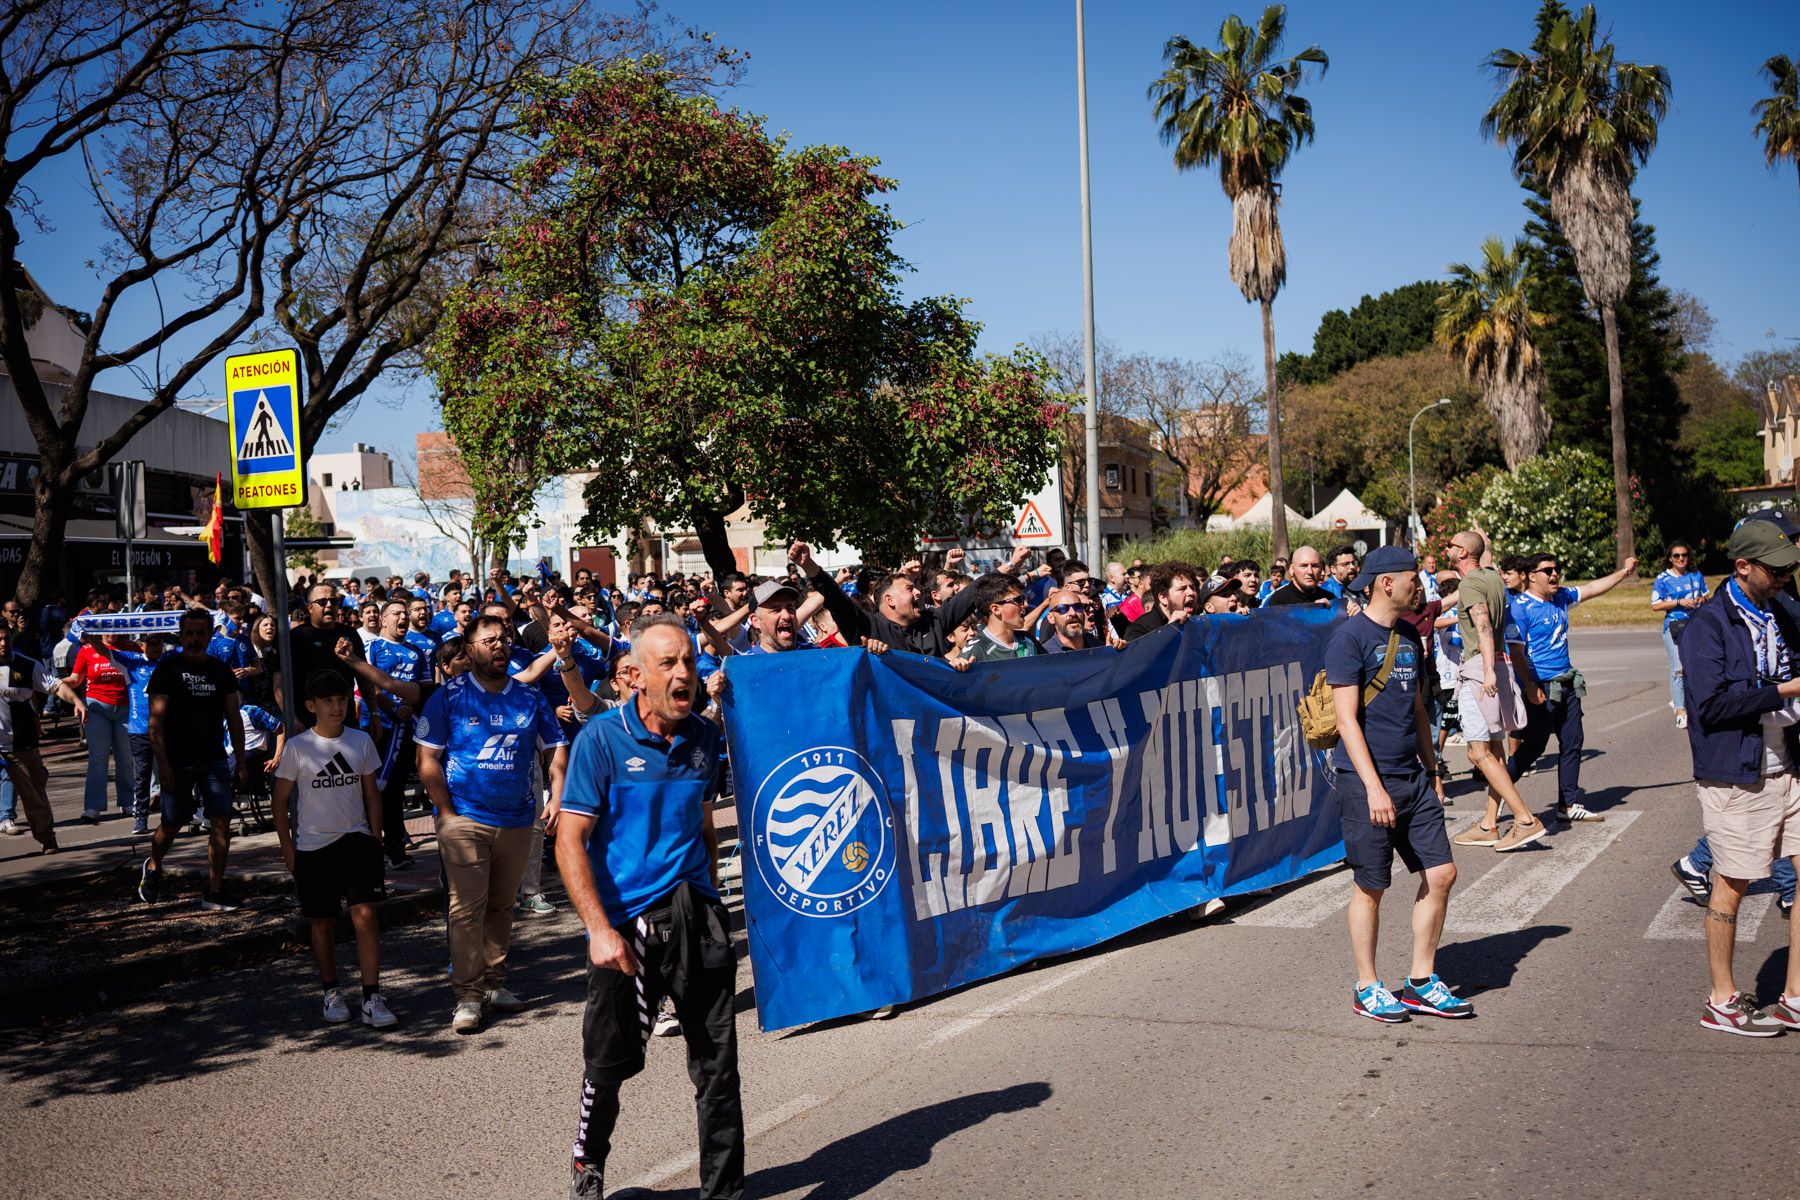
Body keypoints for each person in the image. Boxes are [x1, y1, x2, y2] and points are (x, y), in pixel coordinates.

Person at [556, 615, 743, 1200]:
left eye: (688, 660)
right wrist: (597, 930)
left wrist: (713, 899)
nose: (684, 672)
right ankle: (589, 1165)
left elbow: (704, 826)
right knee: (608, 1068)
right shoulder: (601, 740)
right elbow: (569, 839)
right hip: (626, 929)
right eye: (669, 663)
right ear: (634, 675)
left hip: (698, 918)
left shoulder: (706, 739)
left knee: (717, 1070)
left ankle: (725, 1193)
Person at [1323, 546, 1468, 1023]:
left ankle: (1422, 981)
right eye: (1413, 577)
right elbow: (1346, 720)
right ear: (1386, 582)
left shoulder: (1410, 633)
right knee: (1372, 885)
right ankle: (1368, 985)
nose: (1421, 585)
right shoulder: (1349, 638)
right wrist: (1374, 788)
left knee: (1441, 873)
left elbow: (1419, 709)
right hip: (1368, 780)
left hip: (1414, 777)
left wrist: (1433, 771)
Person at [414, 613, 569, 1033]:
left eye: (503, 639)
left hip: (518, 820)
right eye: (488, 640)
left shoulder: (528, 697)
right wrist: (446, 814)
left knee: (502, 906)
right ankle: (467, 996)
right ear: (469, 649)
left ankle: (495, 983)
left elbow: (555, 747)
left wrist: (555, 796)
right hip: (465, 819)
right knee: (467, 908)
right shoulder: (448, 697)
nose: (498, 646)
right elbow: (426, 760)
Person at [1677, 519, 1800, 1036]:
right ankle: (1721, 1000)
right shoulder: (1706, 627)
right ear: (1743, 566)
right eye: (1776, 570)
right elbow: (1710, 707)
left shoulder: (1784, 609)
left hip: (1791, 767)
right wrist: (1784, 691)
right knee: (1730, 885)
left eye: (1790, 568)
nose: (1785, 577)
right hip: (1737, 775)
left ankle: (1794, 996)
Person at [271, 670, 397, 1029]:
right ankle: (331, 992)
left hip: (357, 843)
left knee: (366, 917)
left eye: (341, 700)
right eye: (328, 701)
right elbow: (279, 802)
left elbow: (372, 793)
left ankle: (372, 997)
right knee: (322, 922)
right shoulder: (297, 747)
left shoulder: (360, 742)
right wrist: (288, 848)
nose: (337, 707)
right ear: (311, 705)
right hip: (313, 849)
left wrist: (376, 837)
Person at [1506, 550, 1638, 823]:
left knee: (1573, 742)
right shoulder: (1519, 608)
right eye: (1548, 571)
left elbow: (1592, 588)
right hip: (1540, 686)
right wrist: (1530, 686)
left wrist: (1624, 571)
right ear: (1531, 577)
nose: (1555, 574)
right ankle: (1496, 796)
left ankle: (1567, 805)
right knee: (1533, 747)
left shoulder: (1562, 598)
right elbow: (1517, 653)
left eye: (1557, 569)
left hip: (1567, 683)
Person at [1441, 532, 1549, 854]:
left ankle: (1525, 819)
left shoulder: (1470, 583)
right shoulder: (1491, 575)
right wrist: (1484, 541)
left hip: (1481, 669)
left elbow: (1484, 625)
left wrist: (1486, 670)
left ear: (1461, 552)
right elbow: (1485, 553)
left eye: (1451, 545)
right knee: (1496, 749)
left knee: (1479, 753)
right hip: (1500, 666)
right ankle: (1490, 823)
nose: (1446, 548)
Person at [139, 608, 249, 909]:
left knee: (221, 822)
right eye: (190, 634)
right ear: (182, 634)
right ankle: (153, 866)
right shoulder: (167, 669)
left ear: (210, 634)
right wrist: (162, 763)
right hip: (177, 760)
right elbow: (155, 722)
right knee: (172, 823)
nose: (195, 639)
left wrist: (239, 761)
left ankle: (214, 891)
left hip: (214, 759)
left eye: (201, 633)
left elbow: (234, 719)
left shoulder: (221, 671)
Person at [794, 540, 1007, 658]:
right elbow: (835, 598)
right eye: (909, 589)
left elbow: (973, 592)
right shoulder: (868, 627)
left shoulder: (934, 620)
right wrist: (808, 565)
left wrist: (1012, 569)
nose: (918, 594)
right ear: (890, 600)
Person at [0, 624, 83, 853]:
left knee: (34, 793)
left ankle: (47, 838)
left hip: (19, 744)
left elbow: (55, 686)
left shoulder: (26, 666)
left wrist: (76, 701)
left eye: (6, 638)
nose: (3, 644)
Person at [367, 599, 426, 868]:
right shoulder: (373, 648)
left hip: (405, 731)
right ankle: (371, 846)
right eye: (397, 613)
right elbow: (368, 685)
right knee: (374, 788)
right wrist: (389, 707)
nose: (403, 617)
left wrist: (410, 708)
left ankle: (394, 847)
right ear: (383, 620)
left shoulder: (418, 652)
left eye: (405, 613)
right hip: (378, 730)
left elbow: (423, 690)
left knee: (395, 789)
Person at [65, 633, 136, 823]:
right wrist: (55, 684)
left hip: (126, 708)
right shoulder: (86, 650)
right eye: (107, 630)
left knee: (126, 758)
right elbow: (75, 679)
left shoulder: (131, 647)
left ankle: (129, 803)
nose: (112, 634)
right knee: (98, 758)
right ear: (100, 632)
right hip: (96, 708)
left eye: (115, 629)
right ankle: (93, 807)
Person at [1651, 541, 1709, 730]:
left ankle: (1686, 702)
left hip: (1695, 624)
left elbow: (1706, 595)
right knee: (1678, 667)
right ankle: (1680, 711)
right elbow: (1655, 605)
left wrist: (1701, 599)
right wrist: (1678, 602)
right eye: (1676, 556)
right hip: (1674, 625)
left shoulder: (1696, 575)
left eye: (1684, 555)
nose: (1681, 559)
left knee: (1696, 666)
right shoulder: (1663, 579)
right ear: (1670, 558)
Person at [962, 574, 1040, 662]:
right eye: (1019, 600)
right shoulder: (975, 651)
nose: (1026, 605)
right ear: (996, 609)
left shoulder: (1028, 640)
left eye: (1025, 598)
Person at [1123, 561, 1201, 642]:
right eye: (1182, 589)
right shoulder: (1139, 630)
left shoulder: (1198, 621)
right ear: (1163, 598)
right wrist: (1169, 630)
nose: (1191, 593)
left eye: (1192, 587)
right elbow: (1143, 654)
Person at [1265, 546, 1334, 606]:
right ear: (1291, 570)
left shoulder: (1330, 600)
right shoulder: (1278, 602)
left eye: (1315, 566)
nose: (1310, 571)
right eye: (1304, 566)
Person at [1041, 587, 1103, 653]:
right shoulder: (1046, 654)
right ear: (1051, 618)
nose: (1073, 613)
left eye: (1077, 607)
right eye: (1063, 608)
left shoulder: (1098, 646)